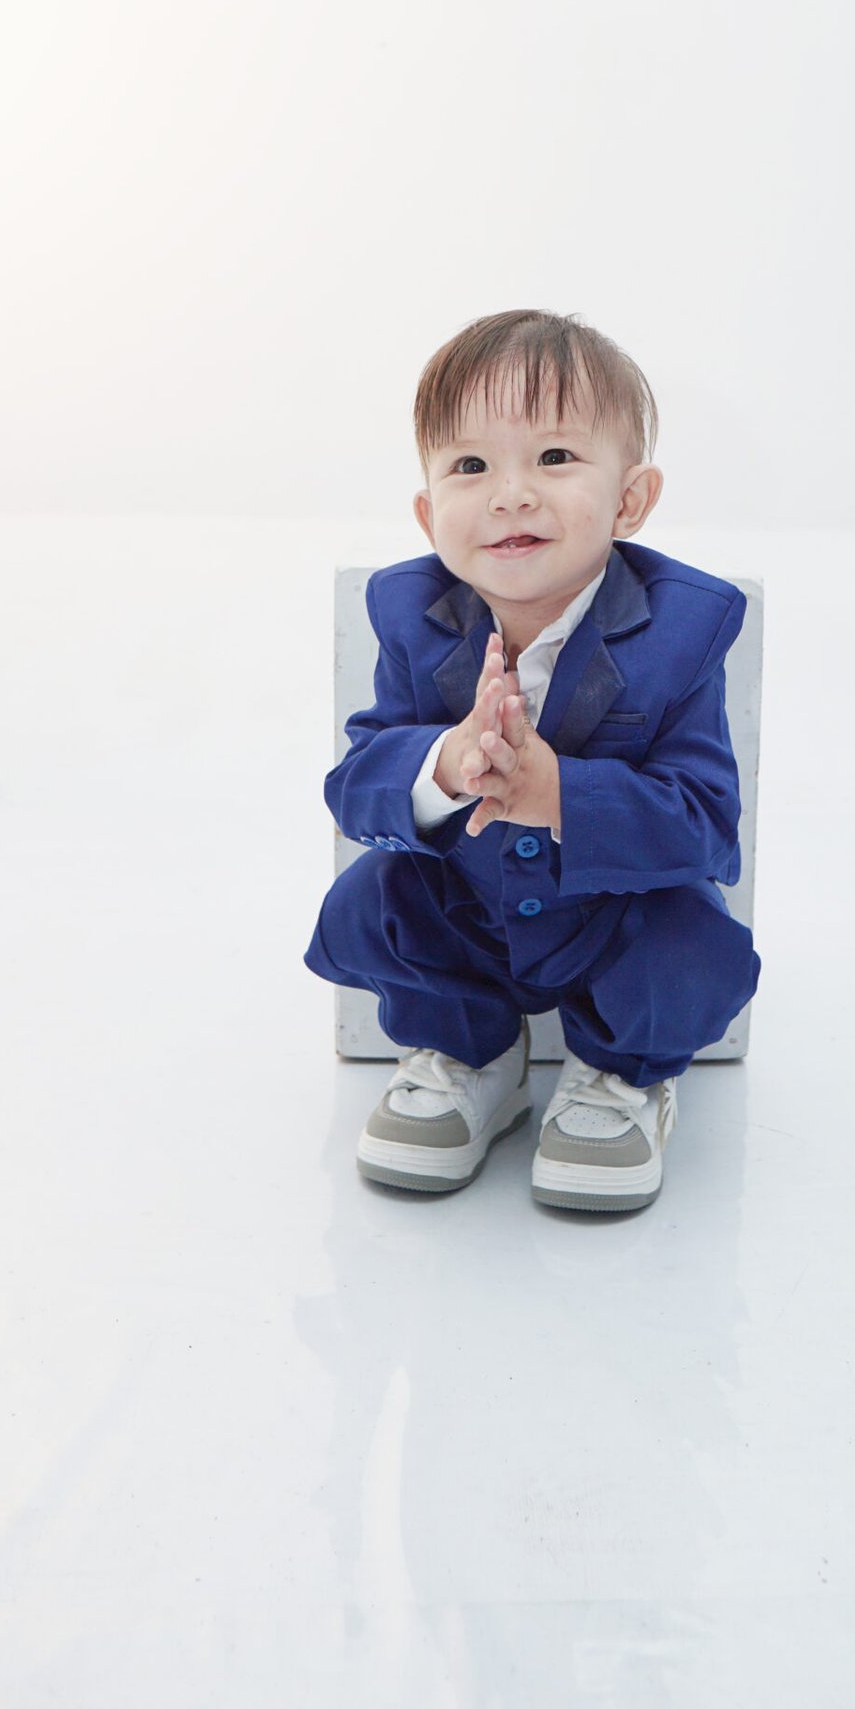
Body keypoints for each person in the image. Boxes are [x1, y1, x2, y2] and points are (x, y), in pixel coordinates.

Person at [304, 307, 760, 1213]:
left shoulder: (682, 630)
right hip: (471, 905)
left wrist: (560, 794)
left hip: (612, 914)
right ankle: (472, 1053)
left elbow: (707, 827)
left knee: (690, 949)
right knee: (373, 899)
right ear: (430, 514)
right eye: (471, 466)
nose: (511, 495)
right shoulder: (410, 613)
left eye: (554, 457)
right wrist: (444, 762)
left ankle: (620, 1073)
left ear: (629, 500)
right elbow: (356, 784)